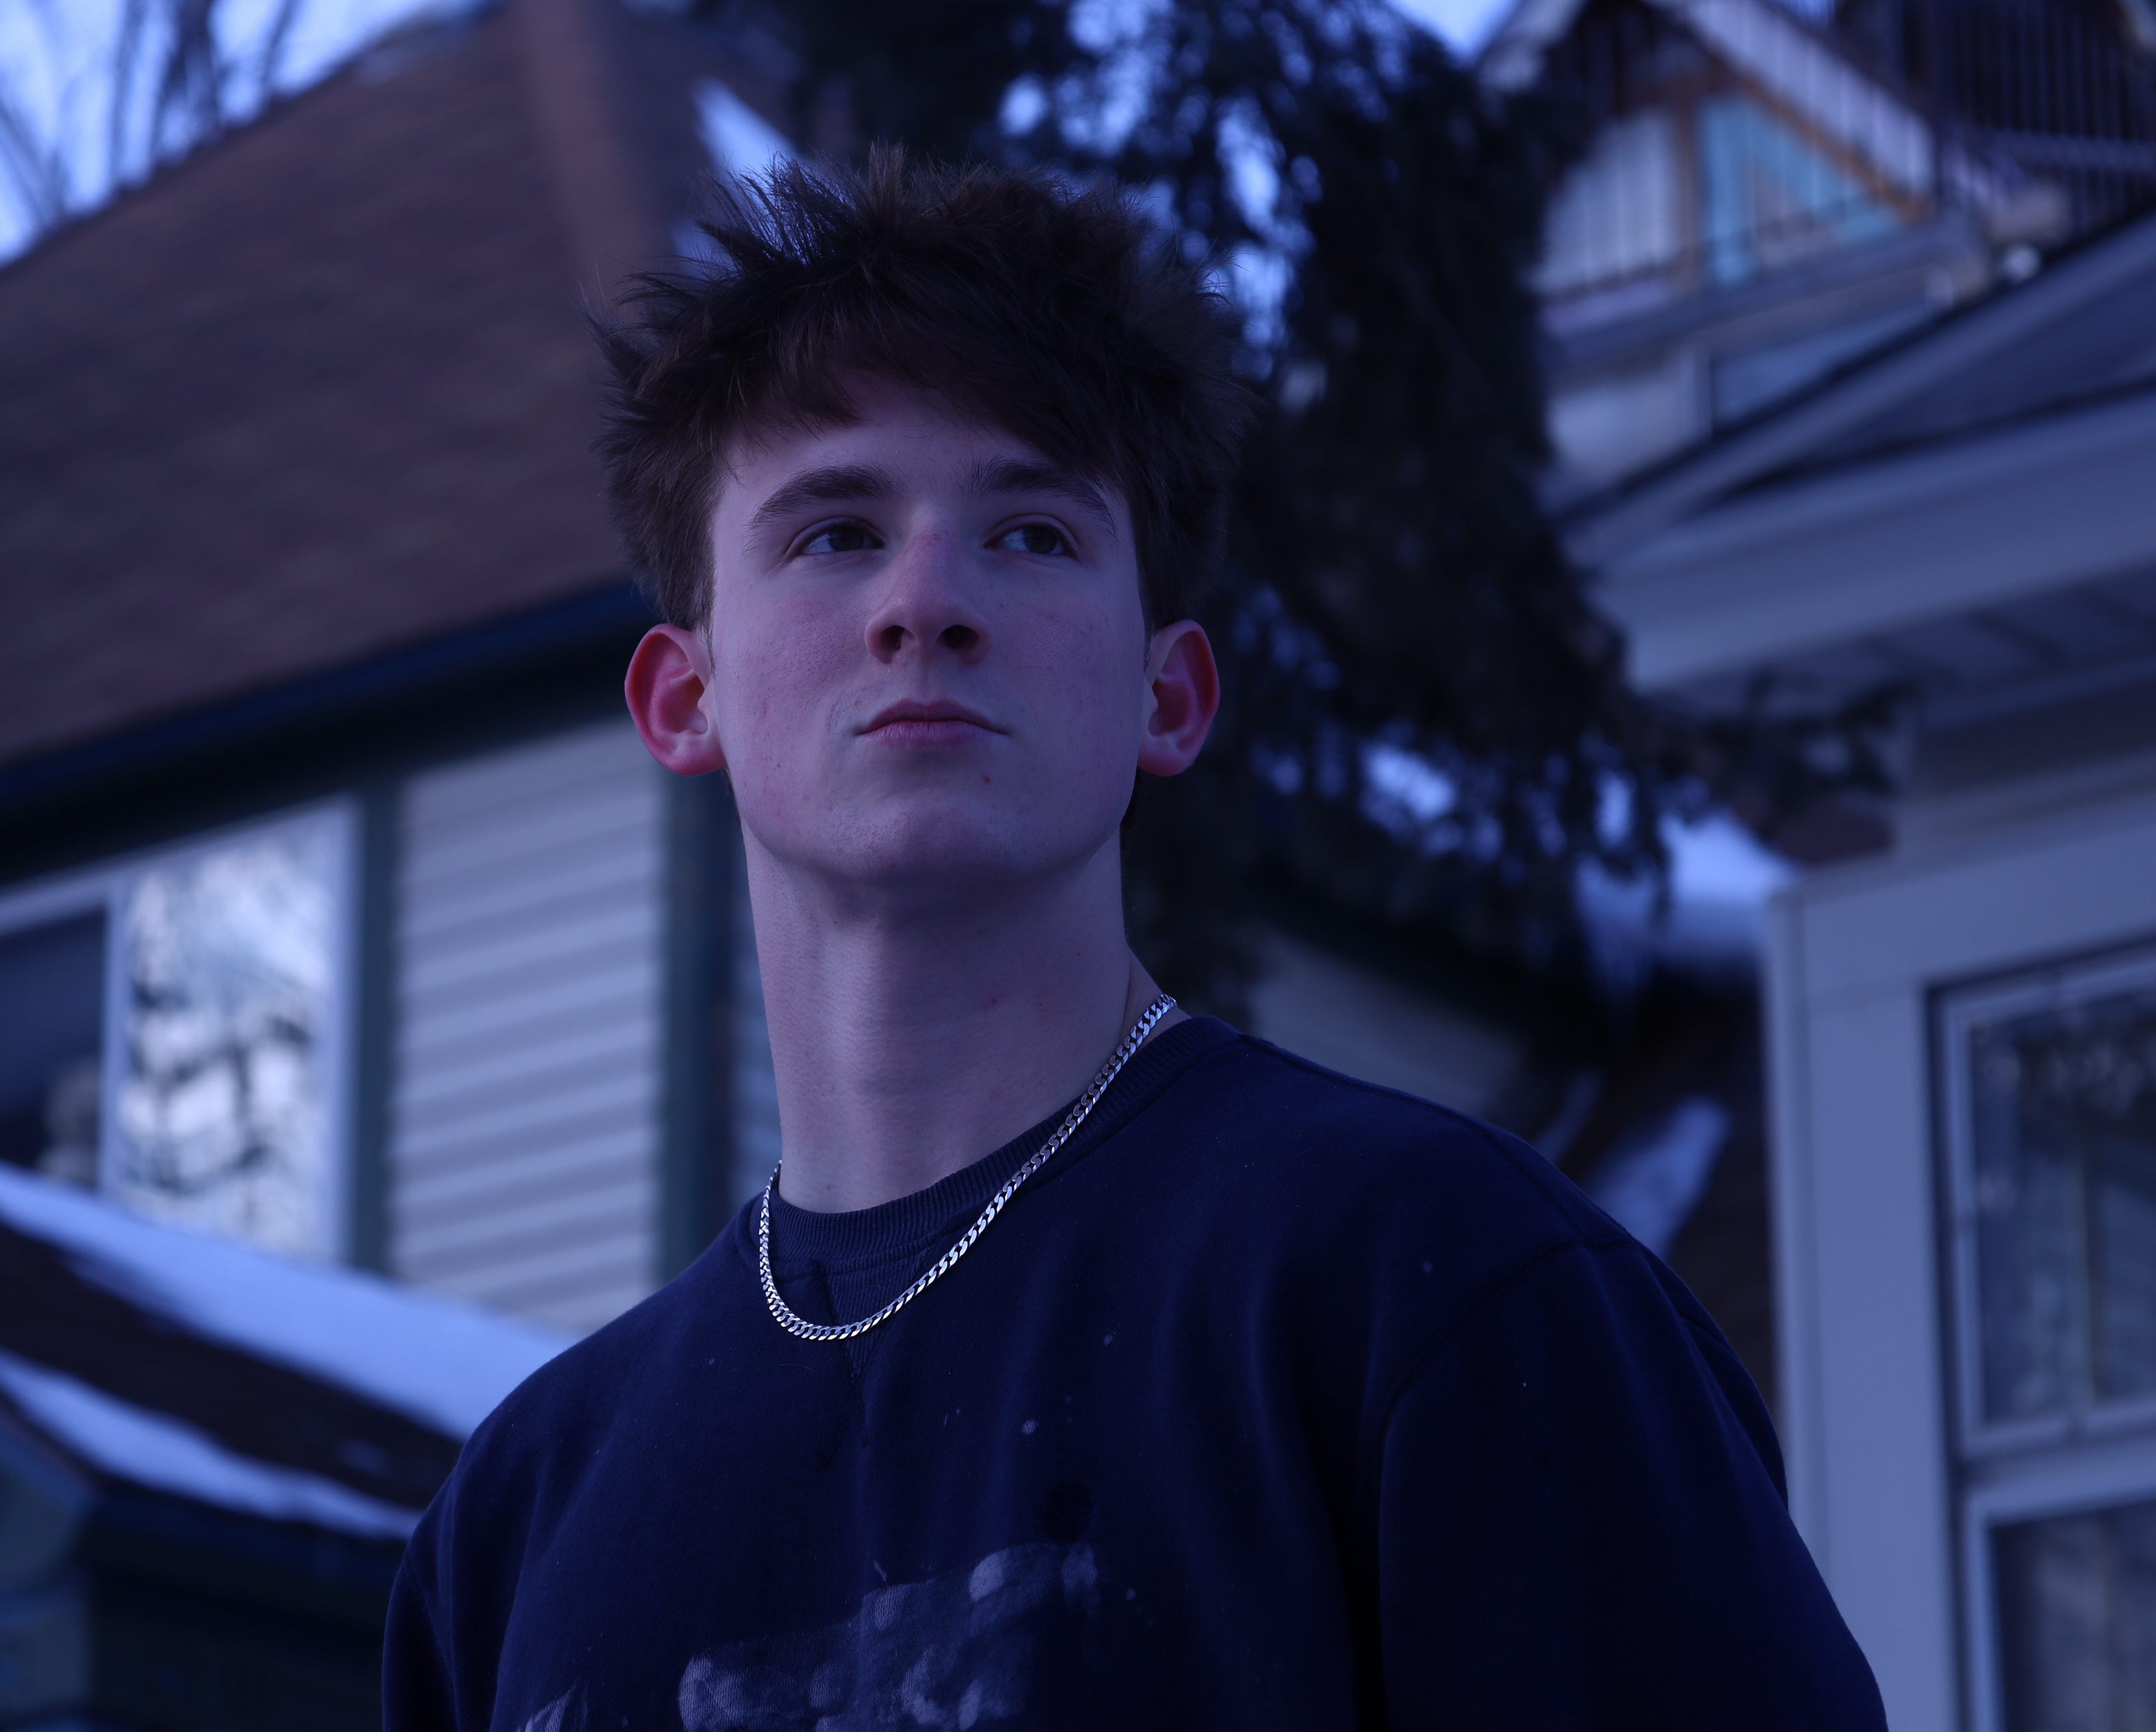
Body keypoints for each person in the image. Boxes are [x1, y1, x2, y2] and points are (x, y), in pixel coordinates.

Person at [382, 152, 1885, 1732]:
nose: (925, 602)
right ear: (682, 696)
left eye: (1032, 533)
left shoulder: (1435, 1289)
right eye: (833, 532)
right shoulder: (514, 1533)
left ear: (1168, 695)